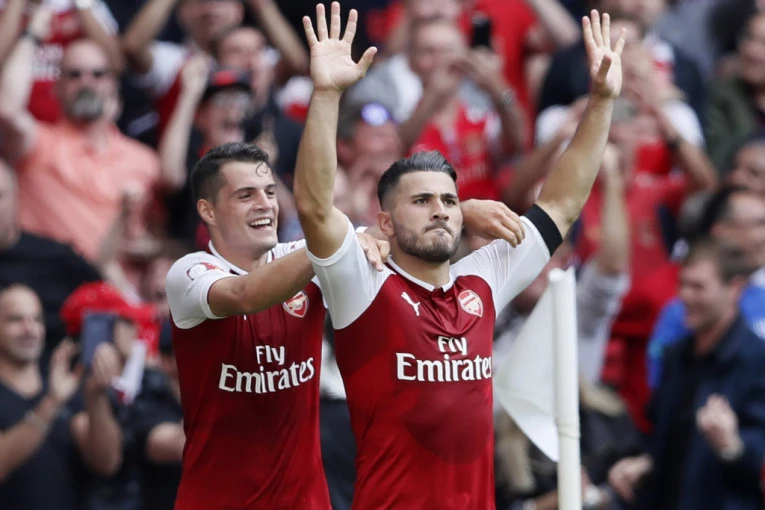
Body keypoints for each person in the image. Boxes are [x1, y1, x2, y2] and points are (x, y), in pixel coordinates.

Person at [293, 3, 624, 507]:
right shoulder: (363, 280)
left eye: (450, 201)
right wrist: (326, 94)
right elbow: (315, 208)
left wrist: (601, 101)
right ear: (385, 223)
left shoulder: (484, 277)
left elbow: (560, 204)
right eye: (422, 201)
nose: (441, 211)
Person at [609, 239, 765, 509]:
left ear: (734, 289)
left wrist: (732, 446)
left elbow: (757, 457)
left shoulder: (757, 361)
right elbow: (661, 437)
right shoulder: (675, 356)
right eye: (682, 284)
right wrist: (644, 463)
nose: (685, 296)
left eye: (698, 287)